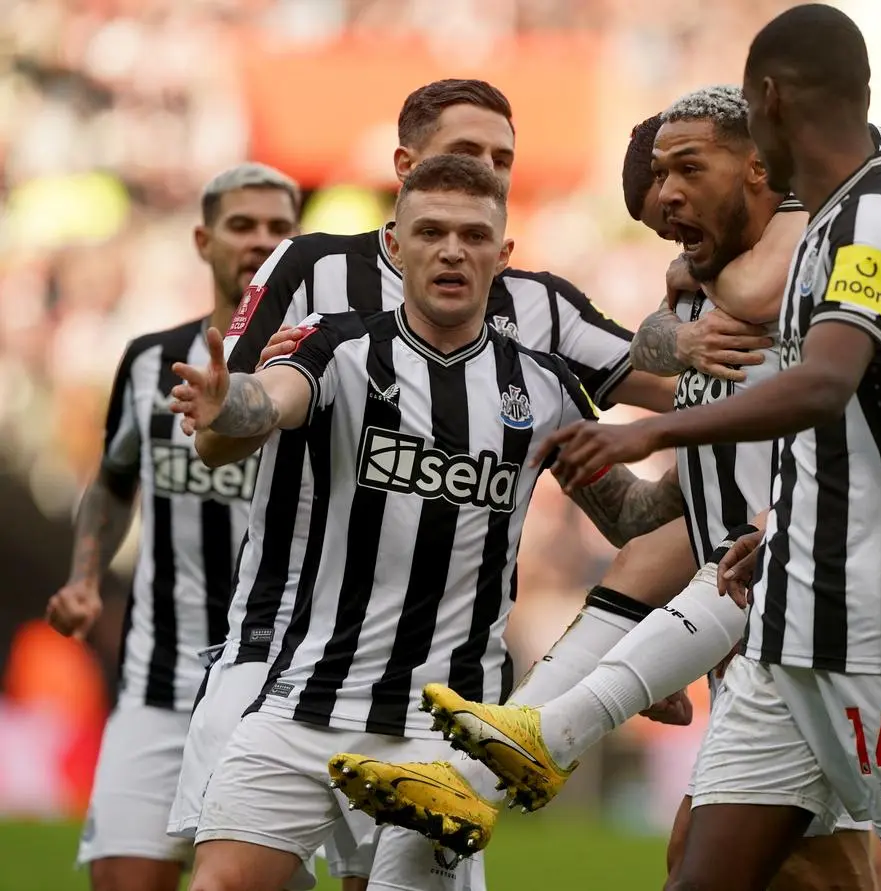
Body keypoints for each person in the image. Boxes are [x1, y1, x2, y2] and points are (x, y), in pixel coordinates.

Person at [421, 7, 881, 890]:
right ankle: (537, 736)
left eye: (687, 174)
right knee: (699, 865)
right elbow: (684, 500)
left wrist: (648, 425)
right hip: (787, 604)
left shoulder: (876, 215)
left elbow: (823, 383)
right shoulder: (825, 230)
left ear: (764, 107)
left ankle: (540, 735)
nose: (677, 214)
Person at [164, 78, 681, 891]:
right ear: (395, 237)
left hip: (440, 721)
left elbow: (641, 496)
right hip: (291, 673)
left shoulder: (545, 370)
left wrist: (725, 449)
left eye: (497, 172)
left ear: (502, 249)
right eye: (432, 227)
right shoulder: (334, 329)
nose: (452, 247)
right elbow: (266, 403)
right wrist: (231, 401)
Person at [44, 163, 300, 891]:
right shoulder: (151, 360)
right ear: (202, 238)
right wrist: (86, 577)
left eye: (278, 228)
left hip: (275, 691)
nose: (259, 241)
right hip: (157, 680)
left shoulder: (324, 368)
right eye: (241, 225)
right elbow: (115, 480)